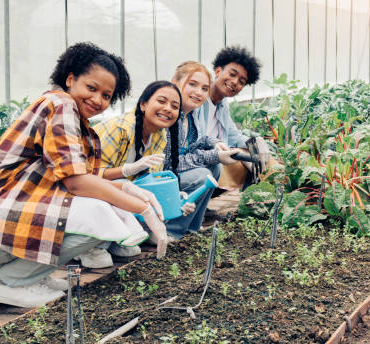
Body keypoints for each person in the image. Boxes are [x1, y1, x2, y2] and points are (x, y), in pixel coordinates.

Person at [0, 42, 169, 307]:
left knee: (101, 208)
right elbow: (77, 182)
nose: (98, 100)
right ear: (70, 79)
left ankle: (30, 276)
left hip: (0, 221)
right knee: (100, 215)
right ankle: (9, 282)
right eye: (92, 88)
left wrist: (128, 189)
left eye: (107, 96)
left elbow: (88, 175)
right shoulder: (60, 104)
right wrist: (143, 209)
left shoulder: (71, 113)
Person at [72, 80, 195, 268]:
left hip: (115, 194)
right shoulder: (120, 128)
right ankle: (89, 246)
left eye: (174, 106)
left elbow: (149, 183)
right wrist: (127, 170)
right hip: (79, 194)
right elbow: (88, 176)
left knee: (133, 193)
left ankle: (115, 240)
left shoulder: (159, 135)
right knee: (123, 183)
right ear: (143, 105)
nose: (168, 109)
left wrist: (177, 200)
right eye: (161, 101)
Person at [162, 61, 240, 239]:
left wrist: (214, 143)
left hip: (172, 175)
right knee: (202, 175)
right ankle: (171, 231)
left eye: (205, 88)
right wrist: (215, 155)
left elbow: (193, 144)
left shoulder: (191, 115)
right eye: (192, 84)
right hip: (158, 178)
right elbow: (170, 163)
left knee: (215, 168)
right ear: (174, 82)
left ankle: (191, 227)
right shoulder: (169, 114)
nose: (199, 92)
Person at [192, 46, 271, 190]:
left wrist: (256, 142)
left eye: (241, 81)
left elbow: (234, 136)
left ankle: (266, 192)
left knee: (264, 157)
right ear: (217, 71)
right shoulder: (198, 100)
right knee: (244, 159)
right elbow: (195, 142)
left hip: (218, 158)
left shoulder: (222, 105)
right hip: (203, 162)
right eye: (232, 74)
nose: (235, 82)